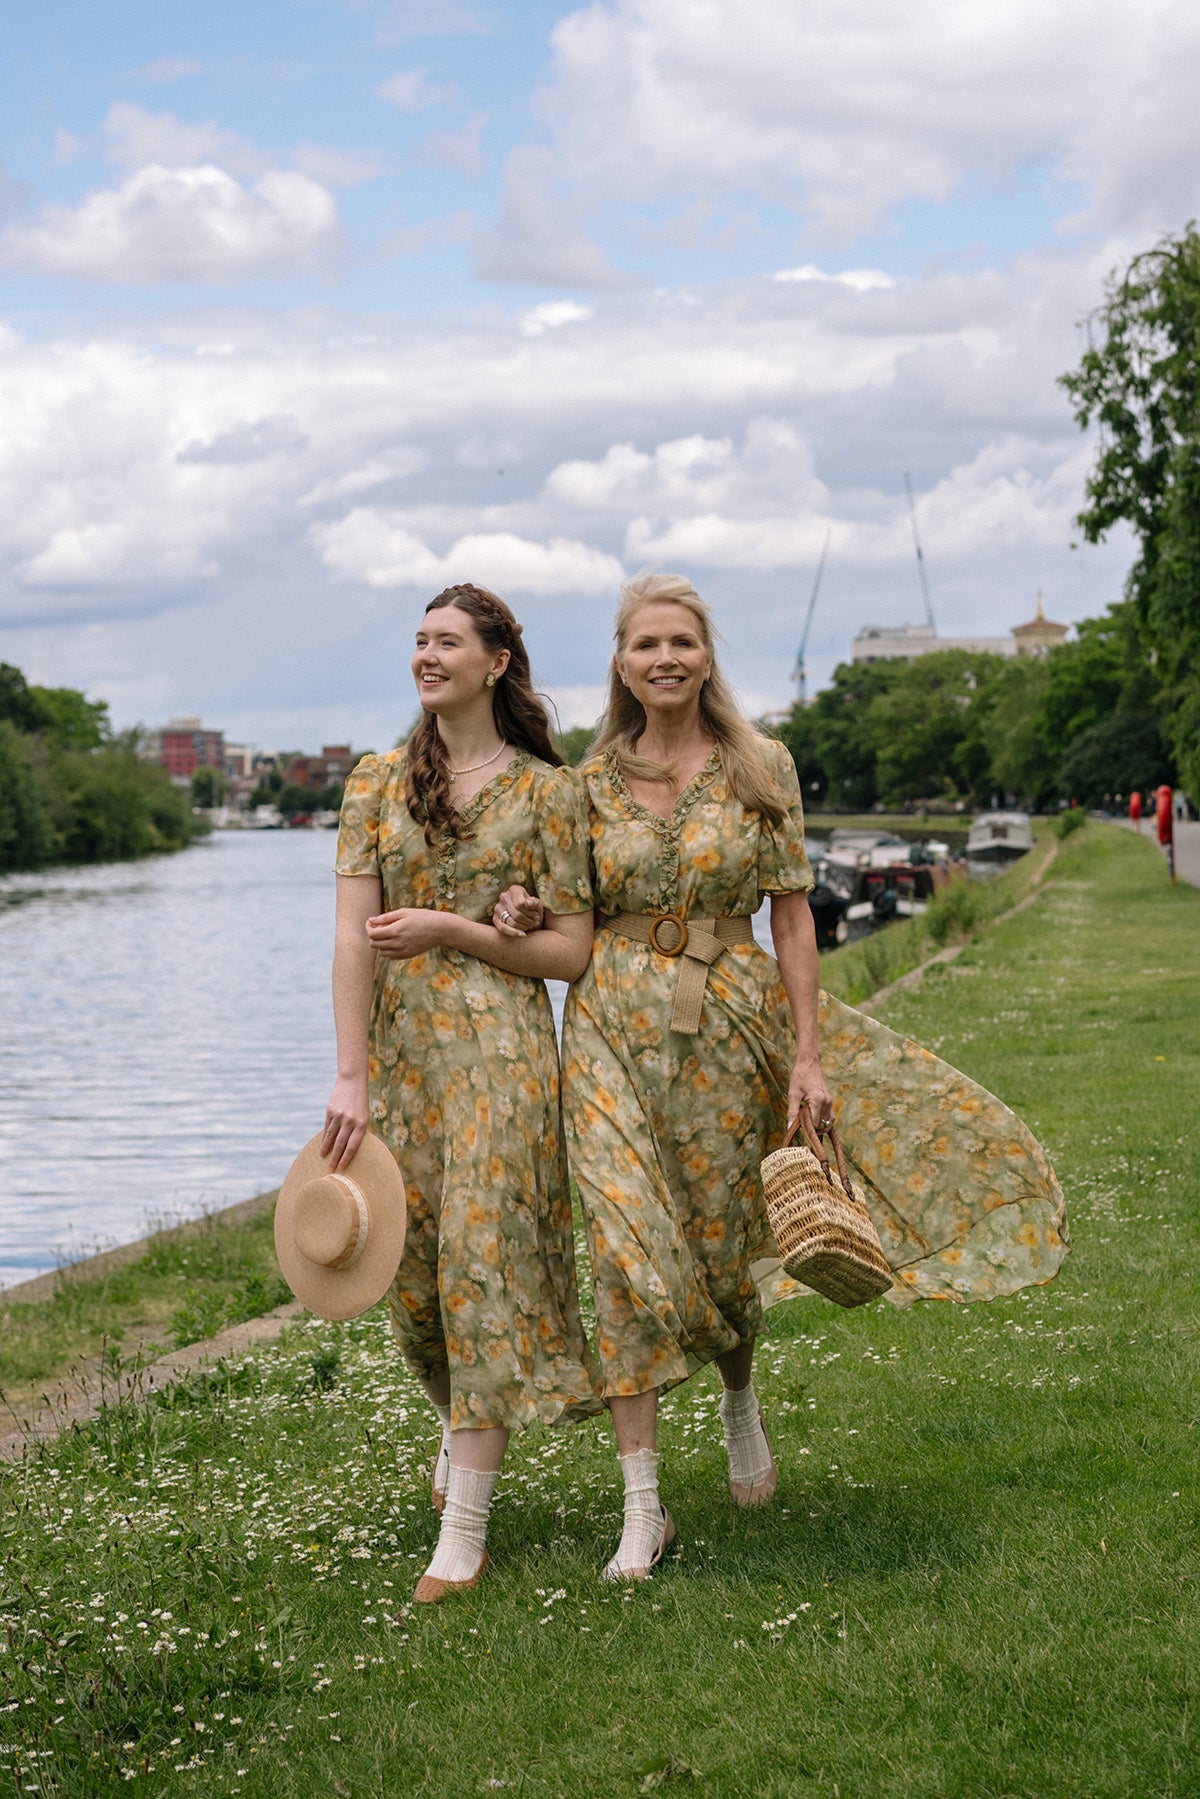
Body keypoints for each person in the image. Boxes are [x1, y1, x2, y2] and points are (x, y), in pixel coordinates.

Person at [496, 571, 833, 1581]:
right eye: (646, 644)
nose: (666, 658)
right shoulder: (584, 783)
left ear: (706, 653)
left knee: (723, 1243)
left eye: (682, 640)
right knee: (622, 1250)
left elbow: (794, 913)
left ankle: (738, 1397)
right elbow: (564, 914)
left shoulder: (761, 764)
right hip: (609, 1031)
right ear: (620, 661)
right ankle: (643, 1506)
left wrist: (808, 1056)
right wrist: (517, 913)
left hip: (731, 1024)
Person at [323, 582, 601, 1603]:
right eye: (419, 640)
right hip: (401, 1067)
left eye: (447, 641)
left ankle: (465, 1536)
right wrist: (349, 1074)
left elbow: (570, 954)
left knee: (481, 1271)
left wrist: (465, 929)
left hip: (502, 1056)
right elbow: (352, 941)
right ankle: (458, 1427)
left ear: (495, 662)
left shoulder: (546, 794)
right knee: (410, 1291)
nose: (427, 655)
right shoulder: (373, 782)